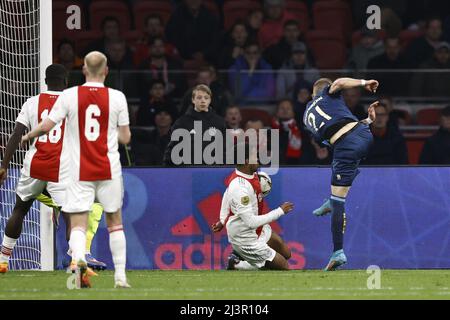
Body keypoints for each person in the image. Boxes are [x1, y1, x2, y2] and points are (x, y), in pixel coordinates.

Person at [21, 52, 131, 288]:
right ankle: (120, 277)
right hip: (107, 168)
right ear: (106, 71)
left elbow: (47, 125)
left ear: (83, 71)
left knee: (78, 221)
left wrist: (29, 135)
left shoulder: (70, 96)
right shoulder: (117, 97)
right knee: (115, 222)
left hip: (78, 170)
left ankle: (78, 263)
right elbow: (125, 137)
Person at [0, 64, 106, 273]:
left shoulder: (32, 103)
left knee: (19, 210)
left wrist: (4, 165)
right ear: (66, 80)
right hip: (61, 168)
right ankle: (77, 260)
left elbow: (15, 135)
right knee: (71, 214)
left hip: (35, 164)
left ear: (45, 80)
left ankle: (3, 261)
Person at [303, 77, 379, 271]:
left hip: (345, 146)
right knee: (341, 173)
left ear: (313, 94)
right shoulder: (330, 95)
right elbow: (338, 83)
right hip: (364, 133)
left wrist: (363, 83)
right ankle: (332, 200)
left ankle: (338, 252)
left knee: (339, 201)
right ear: (324, 90)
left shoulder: (306, 116)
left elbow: (328, 140)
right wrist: (363, 84)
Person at [211, 144, 294, 270]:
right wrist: (280, 211)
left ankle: (241, 256)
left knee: (287, 253)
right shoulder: (239, 187)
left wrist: (222, 220)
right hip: (245, 238)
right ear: (246, 161)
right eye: (254, 156)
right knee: (284, 266)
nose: (258, 159)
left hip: (258, 229)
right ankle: (237, 264)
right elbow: (250, 222)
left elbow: (226, 194)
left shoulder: (250, 174)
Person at [163, 84, 226, 166]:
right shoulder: (181, 122)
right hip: (187, 172)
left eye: (206, 98)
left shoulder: (219, 122)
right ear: (193, 100)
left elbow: (225, 150)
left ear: (210, 100)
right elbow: (170, 152)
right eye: (199, 98)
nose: (203, 101)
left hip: (213, 172)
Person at [271, 99, 303, 165]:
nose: (285, 111)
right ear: (276, 112)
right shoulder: (270, 129)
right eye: (282, 108)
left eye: (288, 108)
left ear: (293, 112)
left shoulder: (301, 130)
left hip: (298, 166)